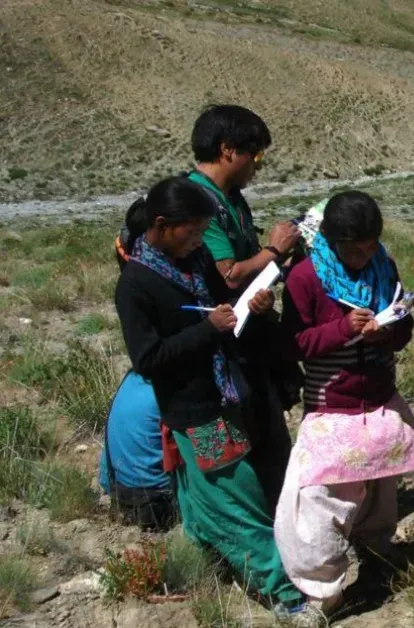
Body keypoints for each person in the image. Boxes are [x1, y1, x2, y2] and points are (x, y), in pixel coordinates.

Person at [113, 176, 302, 609]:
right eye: (192, 232)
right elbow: (148, 359)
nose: (200, 241)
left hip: (227, 391)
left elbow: (225, 297)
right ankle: (285, 594)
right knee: (237, 496)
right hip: (195, 410)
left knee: (204, 497)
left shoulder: (193, 259)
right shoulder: (135, 286)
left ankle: (199, 567)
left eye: (202, 232)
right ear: (161, 225)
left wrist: (252, 306)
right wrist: (207, 329)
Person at [275, 191, 414, 617]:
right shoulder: (306, 278)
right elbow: (292, 345)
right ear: (330, 240)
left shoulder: (383, 265)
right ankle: (323, 594)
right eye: (354, 248)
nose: (365, 255)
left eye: (370, 245)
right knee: (317, 502)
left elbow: (403, 326)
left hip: (381, 400)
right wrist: (342, 329)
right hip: (332, 406)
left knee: (380, 493)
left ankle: (377, 564)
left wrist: (390, 332)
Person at [187, 104, 303, 508]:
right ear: (227, 150)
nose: (258, 165)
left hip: (248, 334)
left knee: (267, 431)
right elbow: (230, 274)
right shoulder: (198, 201)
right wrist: (274, 250)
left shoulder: (231, 199)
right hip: (220, 345)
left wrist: (279, 262)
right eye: (255, 155)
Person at [100, 214, 176, 531]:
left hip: (119, 493)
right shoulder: (169, 387)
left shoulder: (131, 379)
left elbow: (105, 475)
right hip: (157, 501)